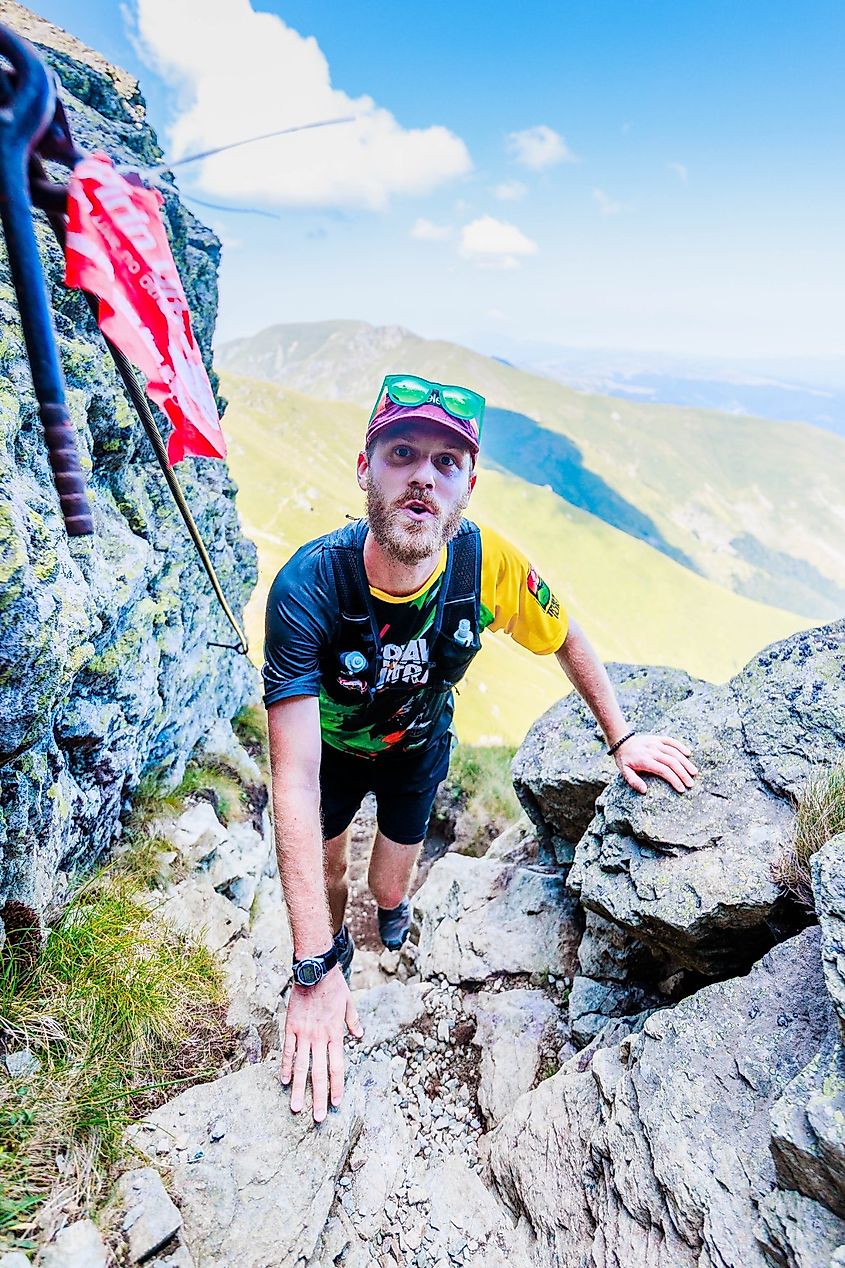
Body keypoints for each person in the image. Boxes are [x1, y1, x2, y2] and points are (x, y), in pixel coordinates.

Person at [263, 373, 698, 1123]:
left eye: (446, 461)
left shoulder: (483, 562)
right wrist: (308, 970)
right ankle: (336, 950)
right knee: (328, 866)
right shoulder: (311, 584)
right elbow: (292, 782)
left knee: (391, 883)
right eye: (402, 452)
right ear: (364, 468)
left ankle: (389, 919)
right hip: (330, 755)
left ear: (467, 486)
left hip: (418, 750)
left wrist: (620, 736)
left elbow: (563, 635)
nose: (423, 476)